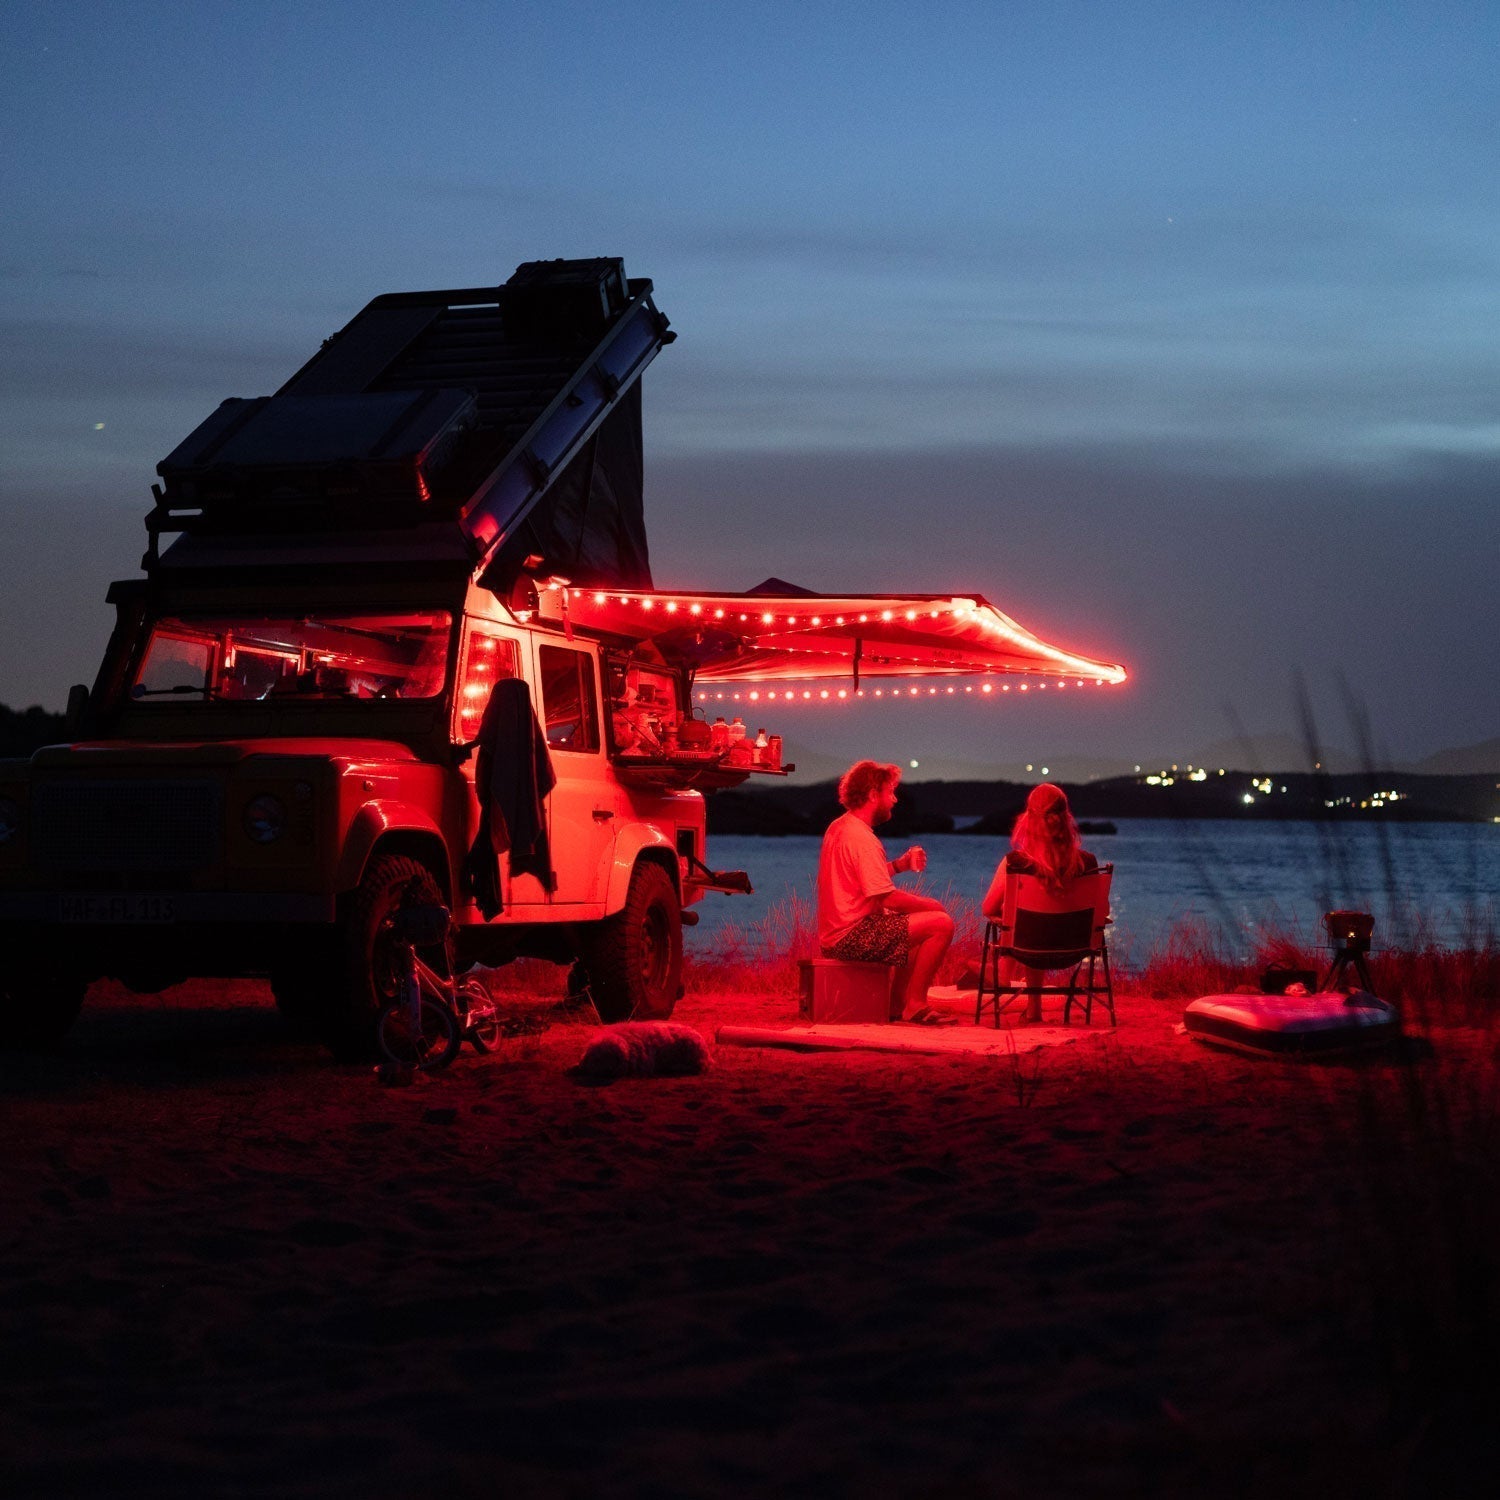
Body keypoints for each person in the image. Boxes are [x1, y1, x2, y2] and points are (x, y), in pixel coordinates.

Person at [817, 760, 955, 1023]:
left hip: (835, 936)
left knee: (916, 925)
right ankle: (915, 1004)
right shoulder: (863, 839)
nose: (894, 800)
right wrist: (932, 905)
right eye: (890, 792)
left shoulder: (840, 827)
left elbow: (859, 881)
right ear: (873, 795)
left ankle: (896, 1005)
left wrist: (899, 865)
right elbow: (886, 898)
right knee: (940, 924)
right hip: (851, 937)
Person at [980, 782, 1099, 1023]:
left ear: (1030, 819)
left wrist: (1007, 910)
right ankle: (1032, 1009)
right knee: (1036, 923)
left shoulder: (1016, 863)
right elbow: (1099, 911)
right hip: (1074, 949)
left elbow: (987, 908)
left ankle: (1005, 971)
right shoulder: (1088, 863)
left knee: (1022, 920)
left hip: (1027, 948)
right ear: (1066, 819)